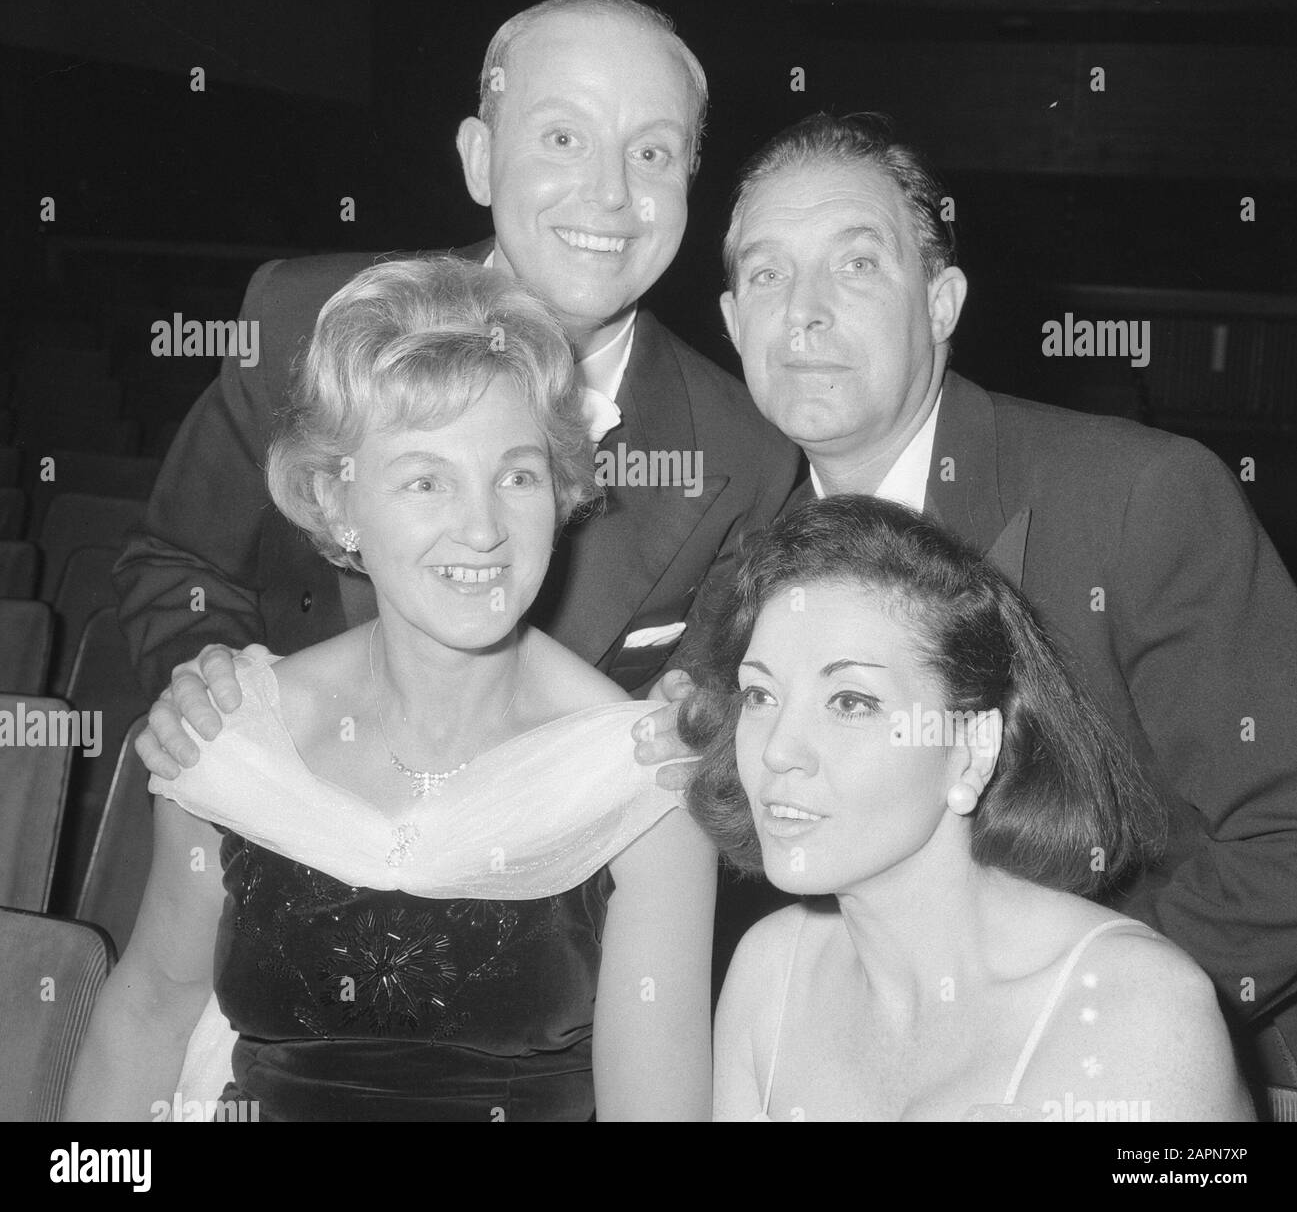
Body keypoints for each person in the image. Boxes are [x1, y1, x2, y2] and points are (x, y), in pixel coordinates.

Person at [640, 112, 1297, 1099]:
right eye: (767, 275)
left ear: (941, 301)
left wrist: (1057, 1014)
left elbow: (1285, 839)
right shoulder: (738, 570)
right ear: (733, 325)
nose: (804, 314)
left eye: (854, 265)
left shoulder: (1136, 496)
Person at [67, 258, 716, 1122]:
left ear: (560, 493)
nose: (483, 528)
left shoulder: (642, 776)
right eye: (424, 480)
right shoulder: (233, 730)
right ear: (339, 506)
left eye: (516, 476)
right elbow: (148, 1013)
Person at [116, 0, 800, 769]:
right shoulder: (300, 322)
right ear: (480, 159)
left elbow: (704, 703)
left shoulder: (747, 452)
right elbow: (179, 564)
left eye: (651, 153)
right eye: (563, 137)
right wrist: (206, 672)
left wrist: (696, 729)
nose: (611, 192)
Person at [684, 494, 1253, 1122]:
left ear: (972, 748)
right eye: (760, 694)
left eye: (850, 702)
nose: (779, 751)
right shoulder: (770, 970)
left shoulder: (1141, 1013)